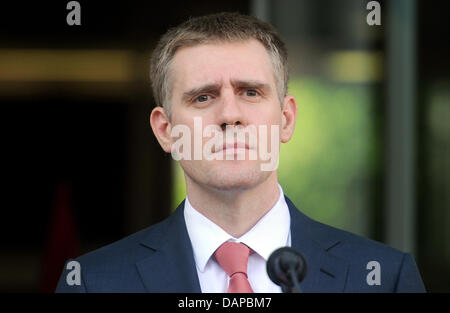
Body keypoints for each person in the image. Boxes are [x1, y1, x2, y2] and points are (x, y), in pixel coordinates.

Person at [56, 12, 425, 293]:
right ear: (166, 131)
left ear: (285, 119)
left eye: (250, 92)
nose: (230, 115)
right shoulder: (94, 282)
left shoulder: (383, 277)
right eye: (203, 97)